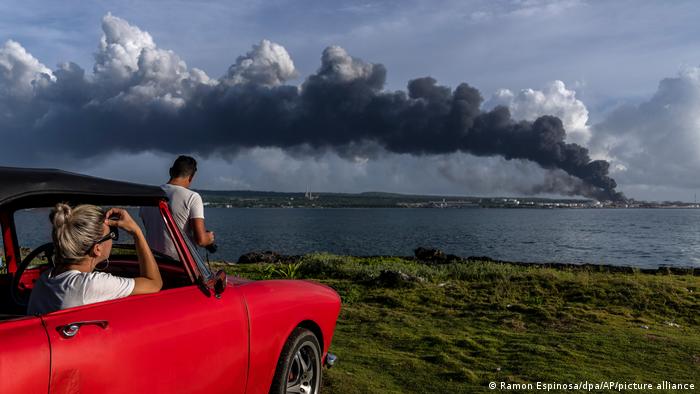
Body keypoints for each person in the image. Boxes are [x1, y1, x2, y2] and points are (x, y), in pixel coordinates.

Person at [27, 204, 162, 315]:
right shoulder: (89, 285)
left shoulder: (44, 280)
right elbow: (154, 283)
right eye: (112, 235)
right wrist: (136, 232)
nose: (113, 240)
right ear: (97, 249)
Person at [140, 155, 215, 259]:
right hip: (180, 265)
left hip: (152, 260)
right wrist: (209, 238)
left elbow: (153, 228)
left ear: (170, 171)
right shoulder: (193, 197)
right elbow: (201, 240)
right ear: (191, 177)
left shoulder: (148, 196)